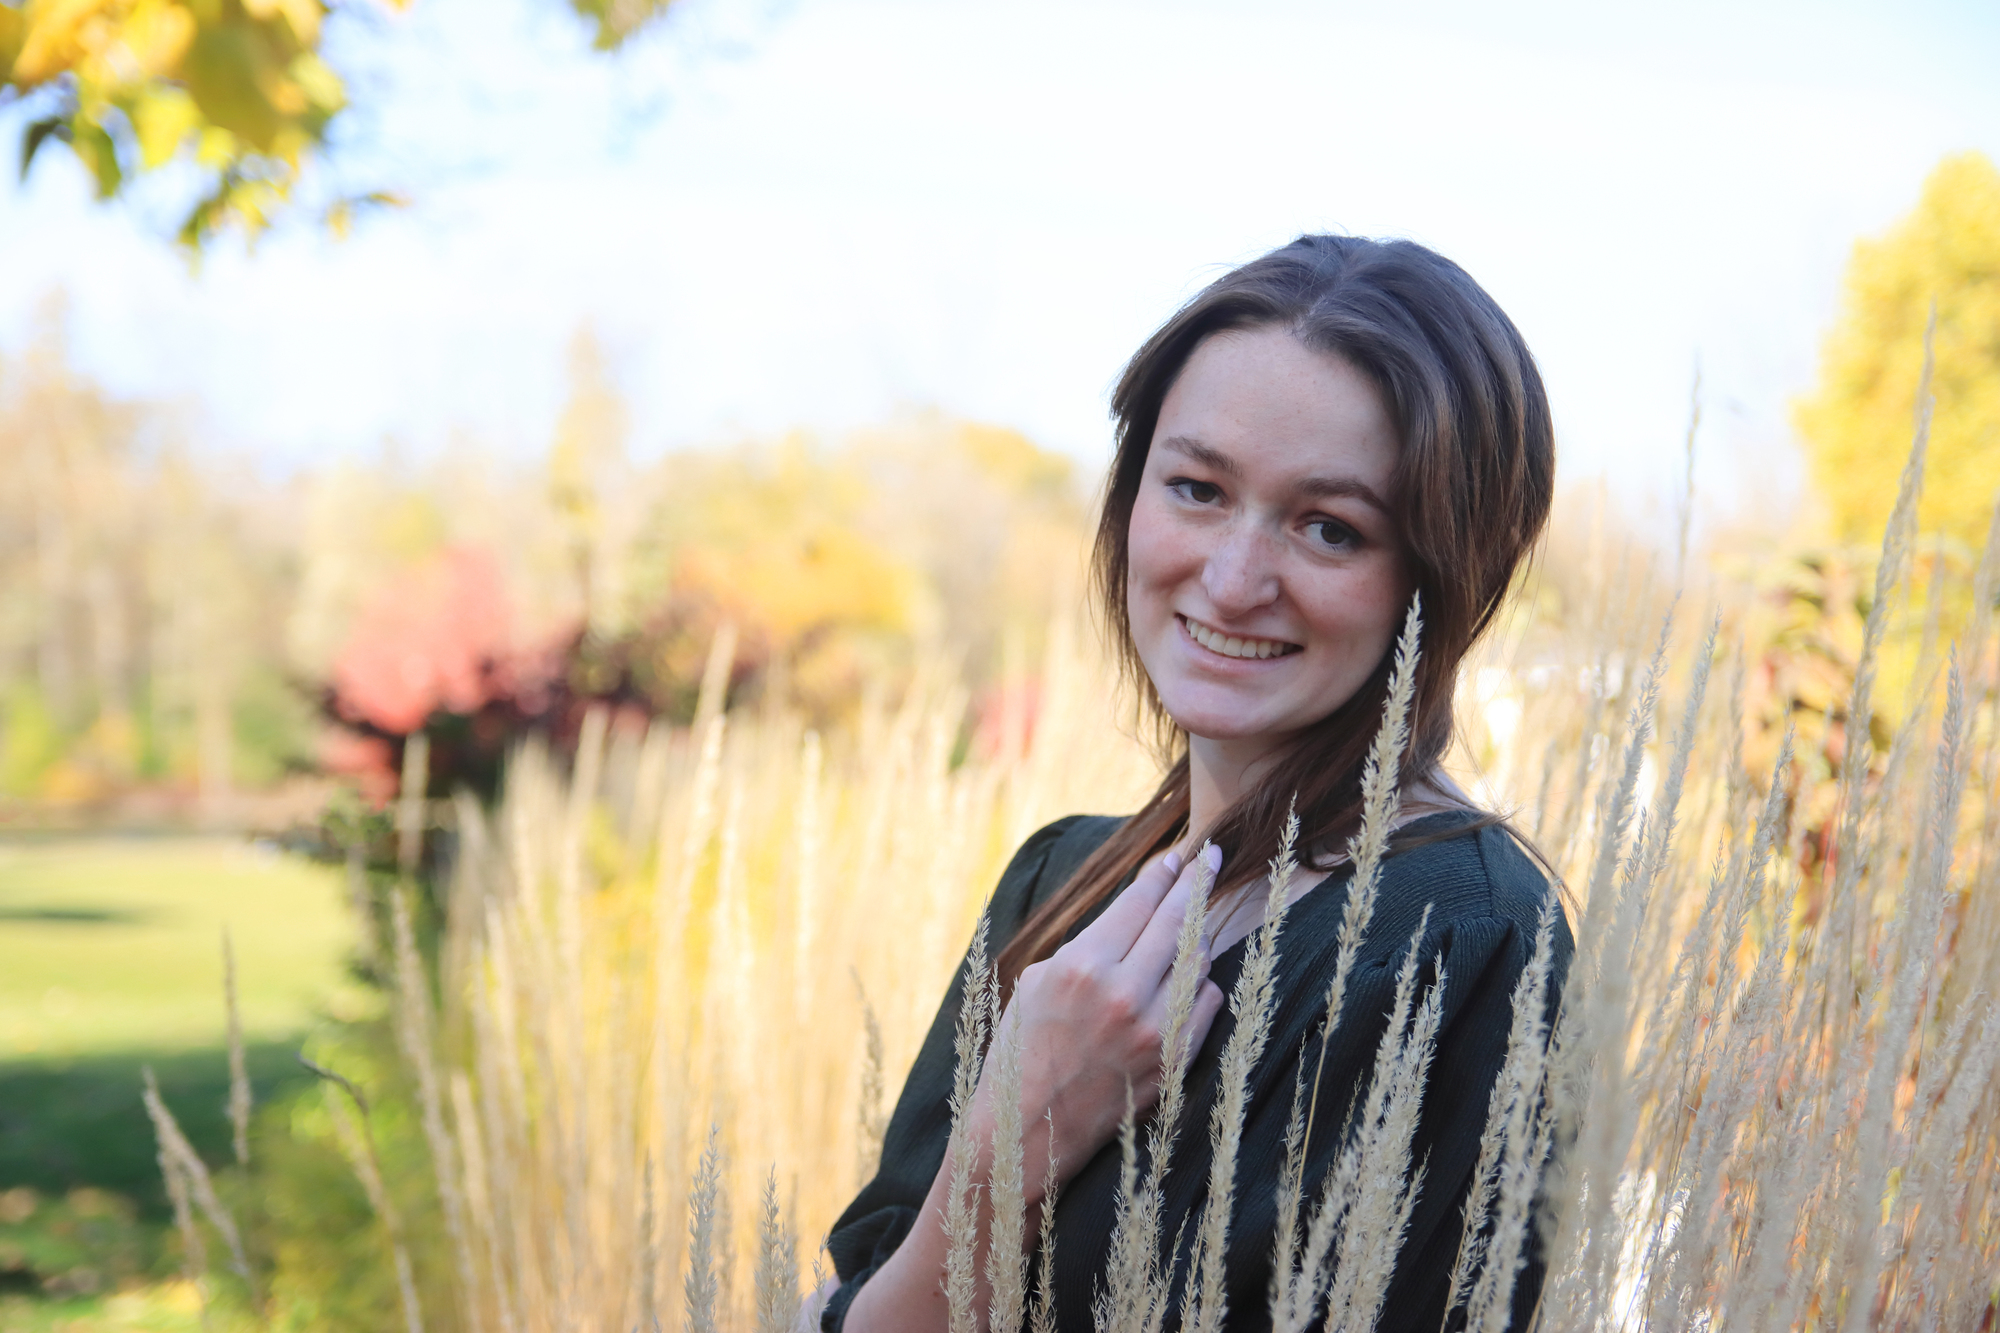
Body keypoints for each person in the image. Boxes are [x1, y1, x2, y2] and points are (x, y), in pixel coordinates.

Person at [816, 235, 1571, 1333]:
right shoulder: (1058, 880)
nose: (1229, 579)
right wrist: (1001, 1155)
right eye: (1197, 488)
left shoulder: (1460, 935)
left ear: (1443, 574)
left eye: (1328, 527)